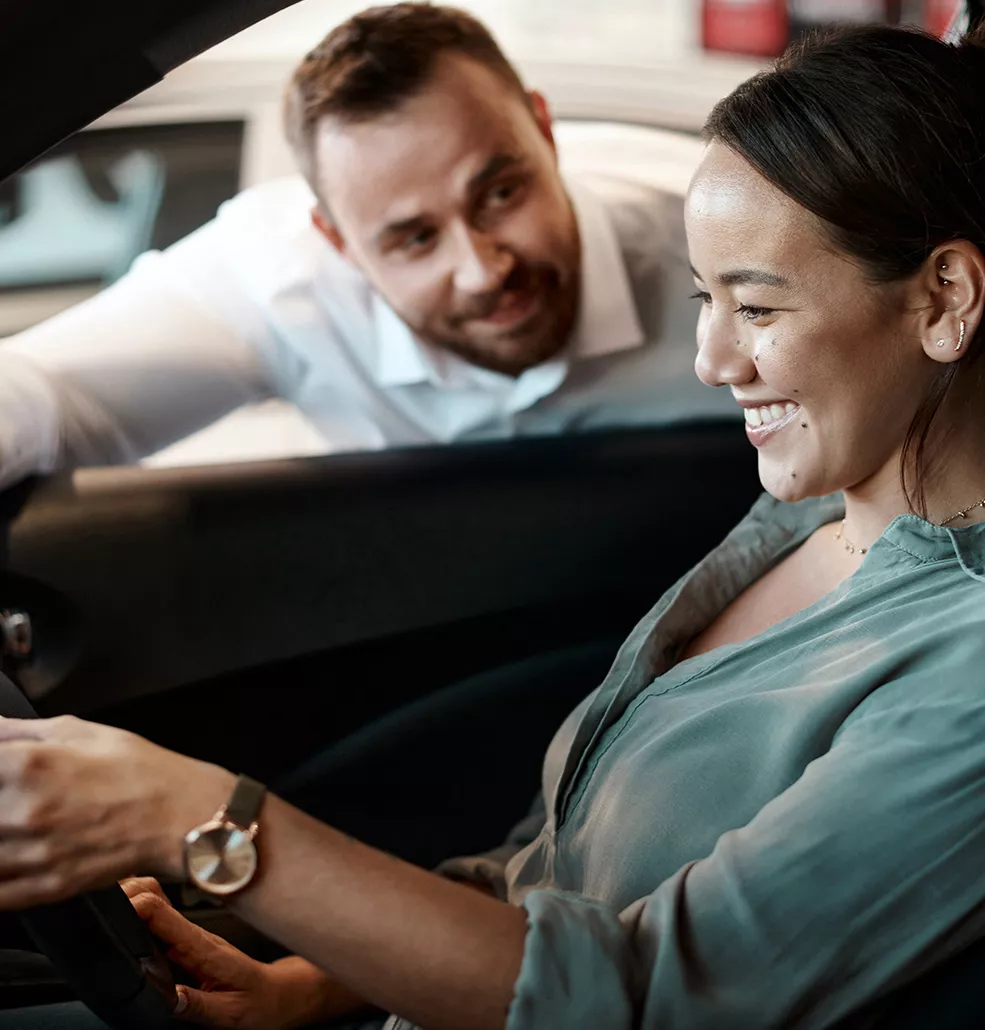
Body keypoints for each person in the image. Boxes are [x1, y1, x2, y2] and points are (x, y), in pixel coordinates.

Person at [5, 20, 985, 1030]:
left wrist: (196, 818)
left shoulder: (965, 672)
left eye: (759, 309)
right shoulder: (806, 506)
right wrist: (303, 983)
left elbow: (651, 996)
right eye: (702, 299)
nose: (710, 360)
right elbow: (553, 872)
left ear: (945, 297)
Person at [0, 2, 734, 491]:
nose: (481, 270)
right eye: (414, 238)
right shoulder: (278, 276)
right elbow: (48, 398)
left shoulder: (728, 238)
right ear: (337, 241)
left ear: (544, 132)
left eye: (501, 195)